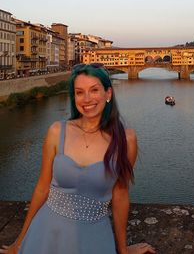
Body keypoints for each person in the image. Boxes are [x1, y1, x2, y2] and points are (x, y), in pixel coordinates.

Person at [0, 64, 156, 254]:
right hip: (46, 231)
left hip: (94, 235)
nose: (87, 99)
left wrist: (123, 250)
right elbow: (42, 188)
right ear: (74, 97)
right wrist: (19, 242)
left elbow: (120, 194)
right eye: (80, 92)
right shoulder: (57, 131)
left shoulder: (126, 140)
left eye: (94, 90)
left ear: (108, 93)